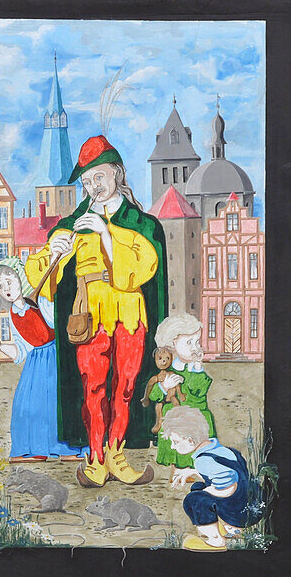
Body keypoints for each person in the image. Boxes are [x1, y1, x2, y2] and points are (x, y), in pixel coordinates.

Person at [25, 135, 168, 488]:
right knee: (93, 387)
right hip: (89, 314)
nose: (93, 187)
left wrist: (105, 234)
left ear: (117, 173)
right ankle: (95, 457)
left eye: (98, 178)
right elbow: (44, 275)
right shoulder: (75, 220)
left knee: (126, 387)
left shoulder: (141, 222)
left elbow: (143, 267)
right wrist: (54, 249)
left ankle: (117, 453)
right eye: (87, 182)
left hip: (130, 314)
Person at [0, 258, 86, 461]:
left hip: (55, 358)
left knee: (56, 404)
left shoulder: (42, 303)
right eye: (0, 286)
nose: (6, 288)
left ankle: (68, 449)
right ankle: (32, 449)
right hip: (35, 363)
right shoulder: (13, 314)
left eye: (8, 281)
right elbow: (21, 350)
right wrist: (0, 346)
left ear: (20, 278)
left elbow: (60, 323)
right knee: (26, 405)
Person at [160, 405, 264, 552]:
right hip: (250, 504)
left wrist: (207, 492)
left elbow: (229, 488)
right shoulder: (221, 450)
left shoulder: (203, 461)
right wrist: (191, 472)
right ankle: (232, 530)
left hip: (240, 514)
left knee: (194, 499)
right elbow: (227, 474)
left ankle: (216, 540)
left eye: (175, 442)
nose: (172, 446)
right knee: (198, 487)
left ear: (190, 440)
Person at [148, 313, 217, 485]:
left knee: (199, 438)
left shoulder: (194, 368)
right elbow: (154, 396)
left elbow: (200, 390)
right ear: (172, 344)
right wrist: (164, 387)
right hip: (176, 417)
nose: (195, 347)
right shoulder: (167, 370)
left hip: (197, 415)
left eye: (197, 342)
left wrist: (198, 366)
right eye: (189, 342)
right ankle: (178, 470)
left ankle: (198, 469)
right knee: (176, 436)